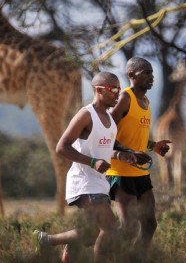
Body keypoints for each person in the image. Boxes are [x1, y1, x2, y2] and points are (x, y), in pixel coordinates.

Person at [33, 71, 136, 262]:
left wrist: (121, 155)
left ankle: (47, 240)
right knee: (110, 230)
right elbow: (61, 147)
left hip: (100, 183)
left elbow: (103, 151)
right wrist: (91, 162)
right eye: (113, 89)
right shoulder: (86, 115)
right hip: (84, 182)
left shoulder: (111, 120)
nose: (117, 93)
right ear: (98, 90)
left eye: (119, 89)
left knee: (92, 233)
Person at [107, 57, 171, 258]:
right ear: (131, 75)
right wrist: (128, 153)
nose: (151, 77)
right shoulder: (125, 98)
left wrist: (154, 145)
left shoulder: (146, 101)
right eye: (146, 72)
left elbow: (137, 138)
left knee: (150, 224)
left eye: (152, 73)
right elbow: (106, 135)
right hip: (120, 172)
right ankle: (87, 244)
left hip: (140, 173)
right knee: (128, 228)